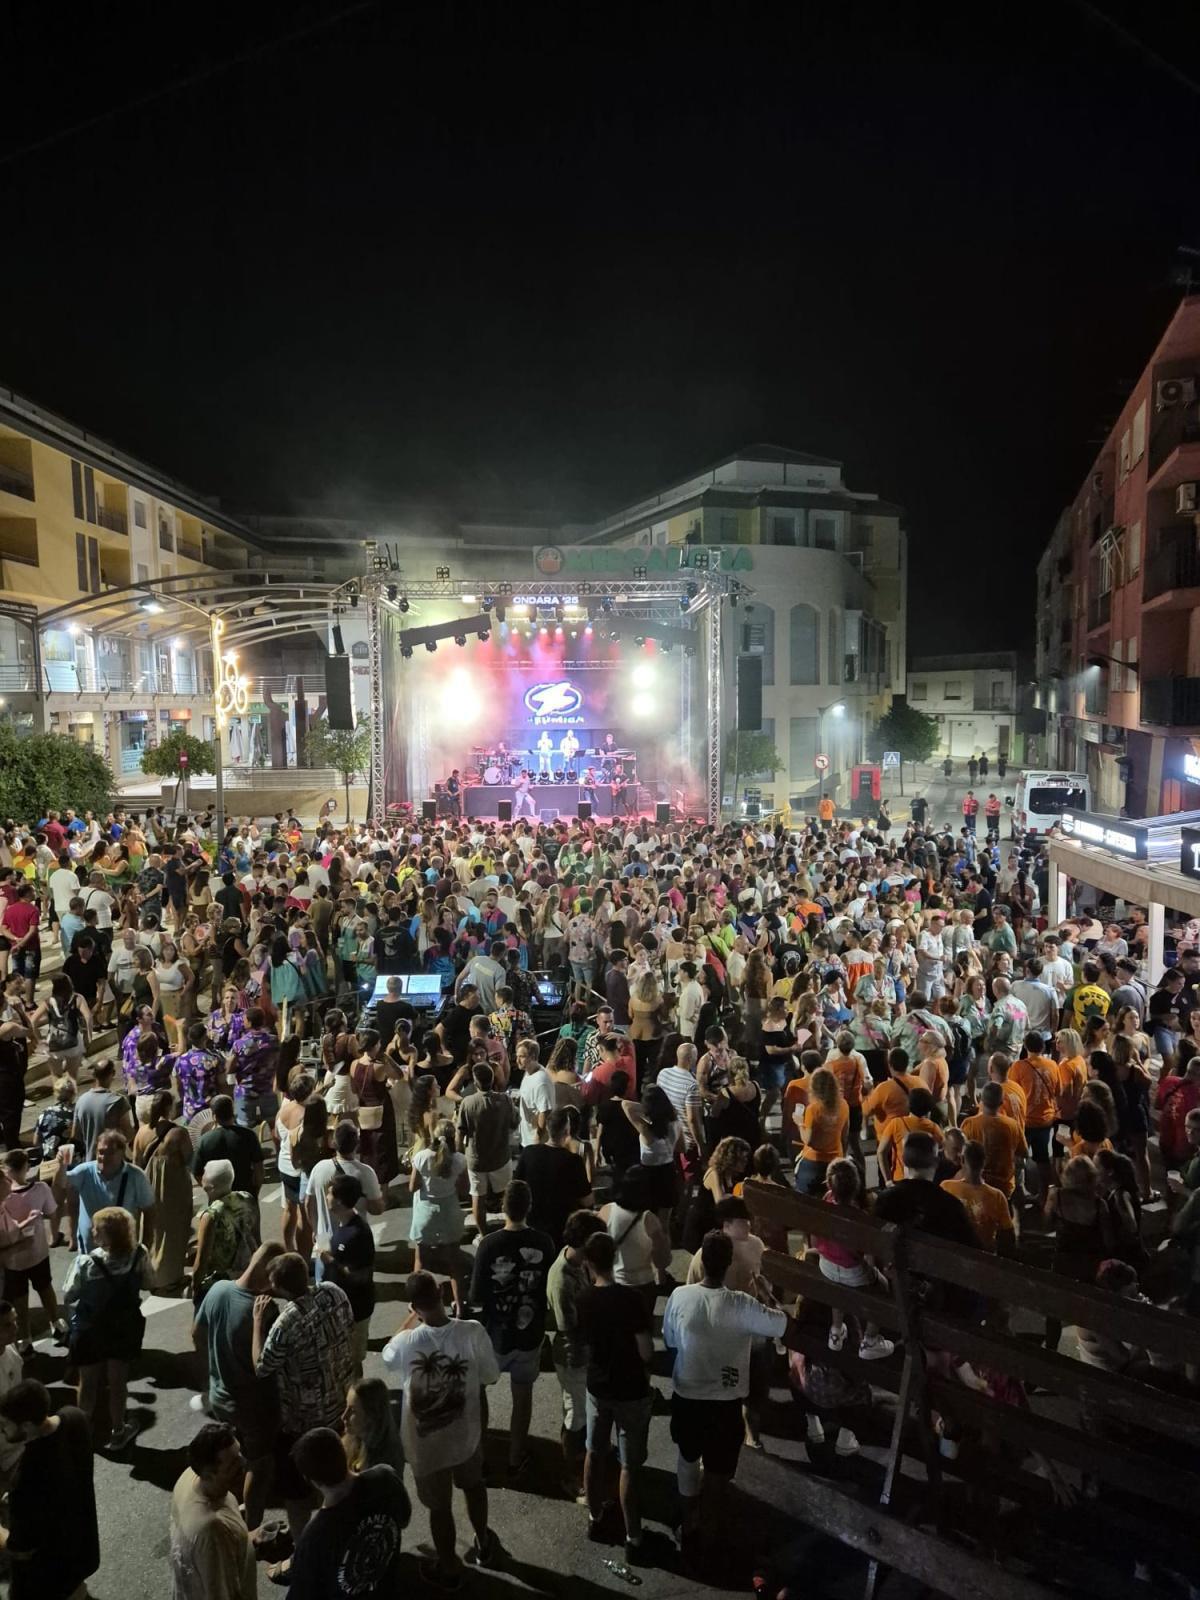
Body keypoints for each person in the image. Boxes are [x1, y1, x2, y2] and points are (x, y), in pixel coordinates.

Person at [662, 1229, 792, 1571]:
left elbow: (671, 1341)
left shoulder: (680, 1296)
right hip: (725, 1404)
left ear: (701, 1261)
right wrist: (767, 1294)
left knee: (687, 1460)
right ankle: (712, 1533)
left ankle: (688, 1526)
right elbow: (781, 1325)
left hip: (687, 1395)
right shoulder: (741, 1305)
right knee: (719, 1474)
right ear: (729, 1262)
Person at [383, 1270, 501, 1586]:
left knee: (439, 1508)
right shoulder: (472, 1332)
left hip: (426, 1446)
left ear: (413, 1305)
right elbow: (491, 1376)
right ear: (441, 1292)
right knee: (474, 1487)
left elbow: (388, 1358)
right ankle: (483, 1541)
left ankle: (448, 1566)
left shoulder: (406, 1342)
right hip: (466, 1436)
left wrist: (409, 1321)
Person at [253, 1251, 356, 1543]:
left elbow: (262, 1366)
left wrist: (259, 1322)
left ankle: (302, 1543)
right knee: (337, 1477)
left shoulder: (286, 1323)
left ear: (281, 1288)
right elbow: (348, 1325)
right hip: (339, 1405)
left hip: (303, 1420)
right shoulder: (333, 1293)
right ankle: (340, 1528)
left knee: (295, 1489)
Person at [192, 1241, 285, 1536]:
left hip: (221, 1398)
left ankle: (233, 1508)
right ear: (266, 1274)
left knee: (235, 1455)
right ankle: (252, 1529)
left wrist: (211, 1372)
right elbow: (273, 1362)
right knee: (259, 1465)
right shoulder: (263, 1311)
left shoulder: (218, 1289)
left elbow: (197, 1333)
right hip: (255, 1406)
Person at [578, 1229, 656, 1564]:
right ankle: (633, 1536)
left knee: (594, 1452)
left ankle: (595, 1518)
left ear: (589, 1264)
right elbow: (646, 1352)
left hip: (598, 1387)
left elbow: (584, 1345)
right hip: (631, 1390)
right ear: (614, 1258)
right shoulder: (632, 1299)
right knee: (629, 1466)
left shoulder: (583, 1300)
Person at [468, 1178, 554, 1479]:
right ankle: (516, 1456)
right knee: (523, 1394)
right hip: (529, 1333)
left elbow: (476, 1295)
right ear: (528, 1207)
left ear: (502, 1208)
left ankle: (479, 1454)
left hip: (495, 1334)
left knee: (479, 1390)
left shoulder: (489, 1245)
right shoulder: (544, 1243)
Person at [0, 1379, 99, 1600]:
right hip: (83, 1549)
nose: (2, 1430)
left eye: (5, 1424)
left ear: (25, 1426)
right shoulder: (75, 1418)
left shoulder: (27, 1479)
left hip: (49, 1577)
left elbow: (21, 1548)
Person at [286, 1426, 411, 1600]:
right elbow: (404, 1519)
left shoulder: (313, 1538)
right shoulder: (386, 1478)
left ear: (310, 1480)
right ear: (344, 1453)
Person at [64, 1203, 146, 1449]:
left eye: (97, 1229)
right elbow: (149, 1281)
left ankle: (82, 1434)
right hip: (123, 1327)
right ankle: (119, 1430)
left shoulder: (86, 1263)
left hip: (90, 1329)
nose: (92, 1232)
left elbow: (69, 1294)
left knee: (87, 1384)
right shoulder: (139, 1254)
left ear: (109, 1234)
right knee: (118, 1382)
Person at [168, 1421, 256, 1600]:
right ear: (209, 1474)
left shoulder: (190, 1476)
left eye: (239, 1453)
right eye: (232, 1464)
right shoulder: (213, 1530)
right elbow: (223, 1593)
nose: (243, 1463)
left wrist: (250, 1540)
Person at [0, 1149, 67, 1352]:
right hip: (37, 1253)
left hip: (12, 1261)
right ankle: (56, 1324)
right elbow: (53, 1212)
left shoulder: (5, 1200)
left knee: (20, 1299)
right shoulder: (39, 1190)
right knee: (45, 1288)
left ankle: (25, 1339)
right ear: (26, 1167)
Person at [408, 1120, 469, 1318]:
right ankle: (459, 1305)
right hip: (449, 1212)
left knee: (421, 1260)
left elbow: (412, 1187)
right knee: (454, 1263)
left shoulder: (421, 1158)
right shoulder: (459, 1159)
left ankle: (416, 1302)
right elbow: (464, 1189)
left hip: (425, 1213)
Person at [66, 1128, 155, 1255]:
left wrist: (145, 1245)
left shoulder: (136, 1176)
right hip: (90, 1252)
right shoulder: (85, 1172)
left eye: (111, 1153)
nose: (104, 1157)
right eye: (101, 1152)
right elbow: (61, 1184)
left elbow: (149, 1211)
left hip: (122, 1252)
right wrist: (61, 1164)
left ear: (122, 1152)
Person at [515, 1106, 593, 1247]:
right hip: (561, 1229)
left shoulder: (528, 1153)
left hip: (532, 1225)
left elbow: (516, 1187)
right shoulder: (573, 1161)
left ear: (548, 1128)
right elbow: (587, 1200)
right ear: (567, 1131)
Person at [455, 1060, 517, 1233]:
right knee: (506, 1195)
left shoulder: (468, 1103)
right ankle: (510, 1228)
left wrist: (459, 1155)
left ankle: (483, 1234)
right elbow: (514, 1123)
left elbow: (461, 1131)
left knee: (478, 1196)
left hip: (476, 1159)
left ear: (476, 1081)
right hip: (500, 1157)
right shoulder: (504, 1099)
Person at [192, 1158, 259, 1307]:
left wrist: (196, 1287)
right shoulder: (247, 1198)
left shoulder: (211, 1215)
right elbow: (256, 1238)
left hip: (220, 1282)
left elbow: (201, 1260)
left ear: (209, 1187)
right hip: (245, 1273)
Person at [941, 1139, 1015, 1254]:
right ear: (984, 1162)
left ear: (962, 1160)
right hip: (984, 1258)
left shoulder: (946, 1187)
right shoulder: (997, 1196)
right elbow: (1008, 1236)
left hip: (953, 1255)